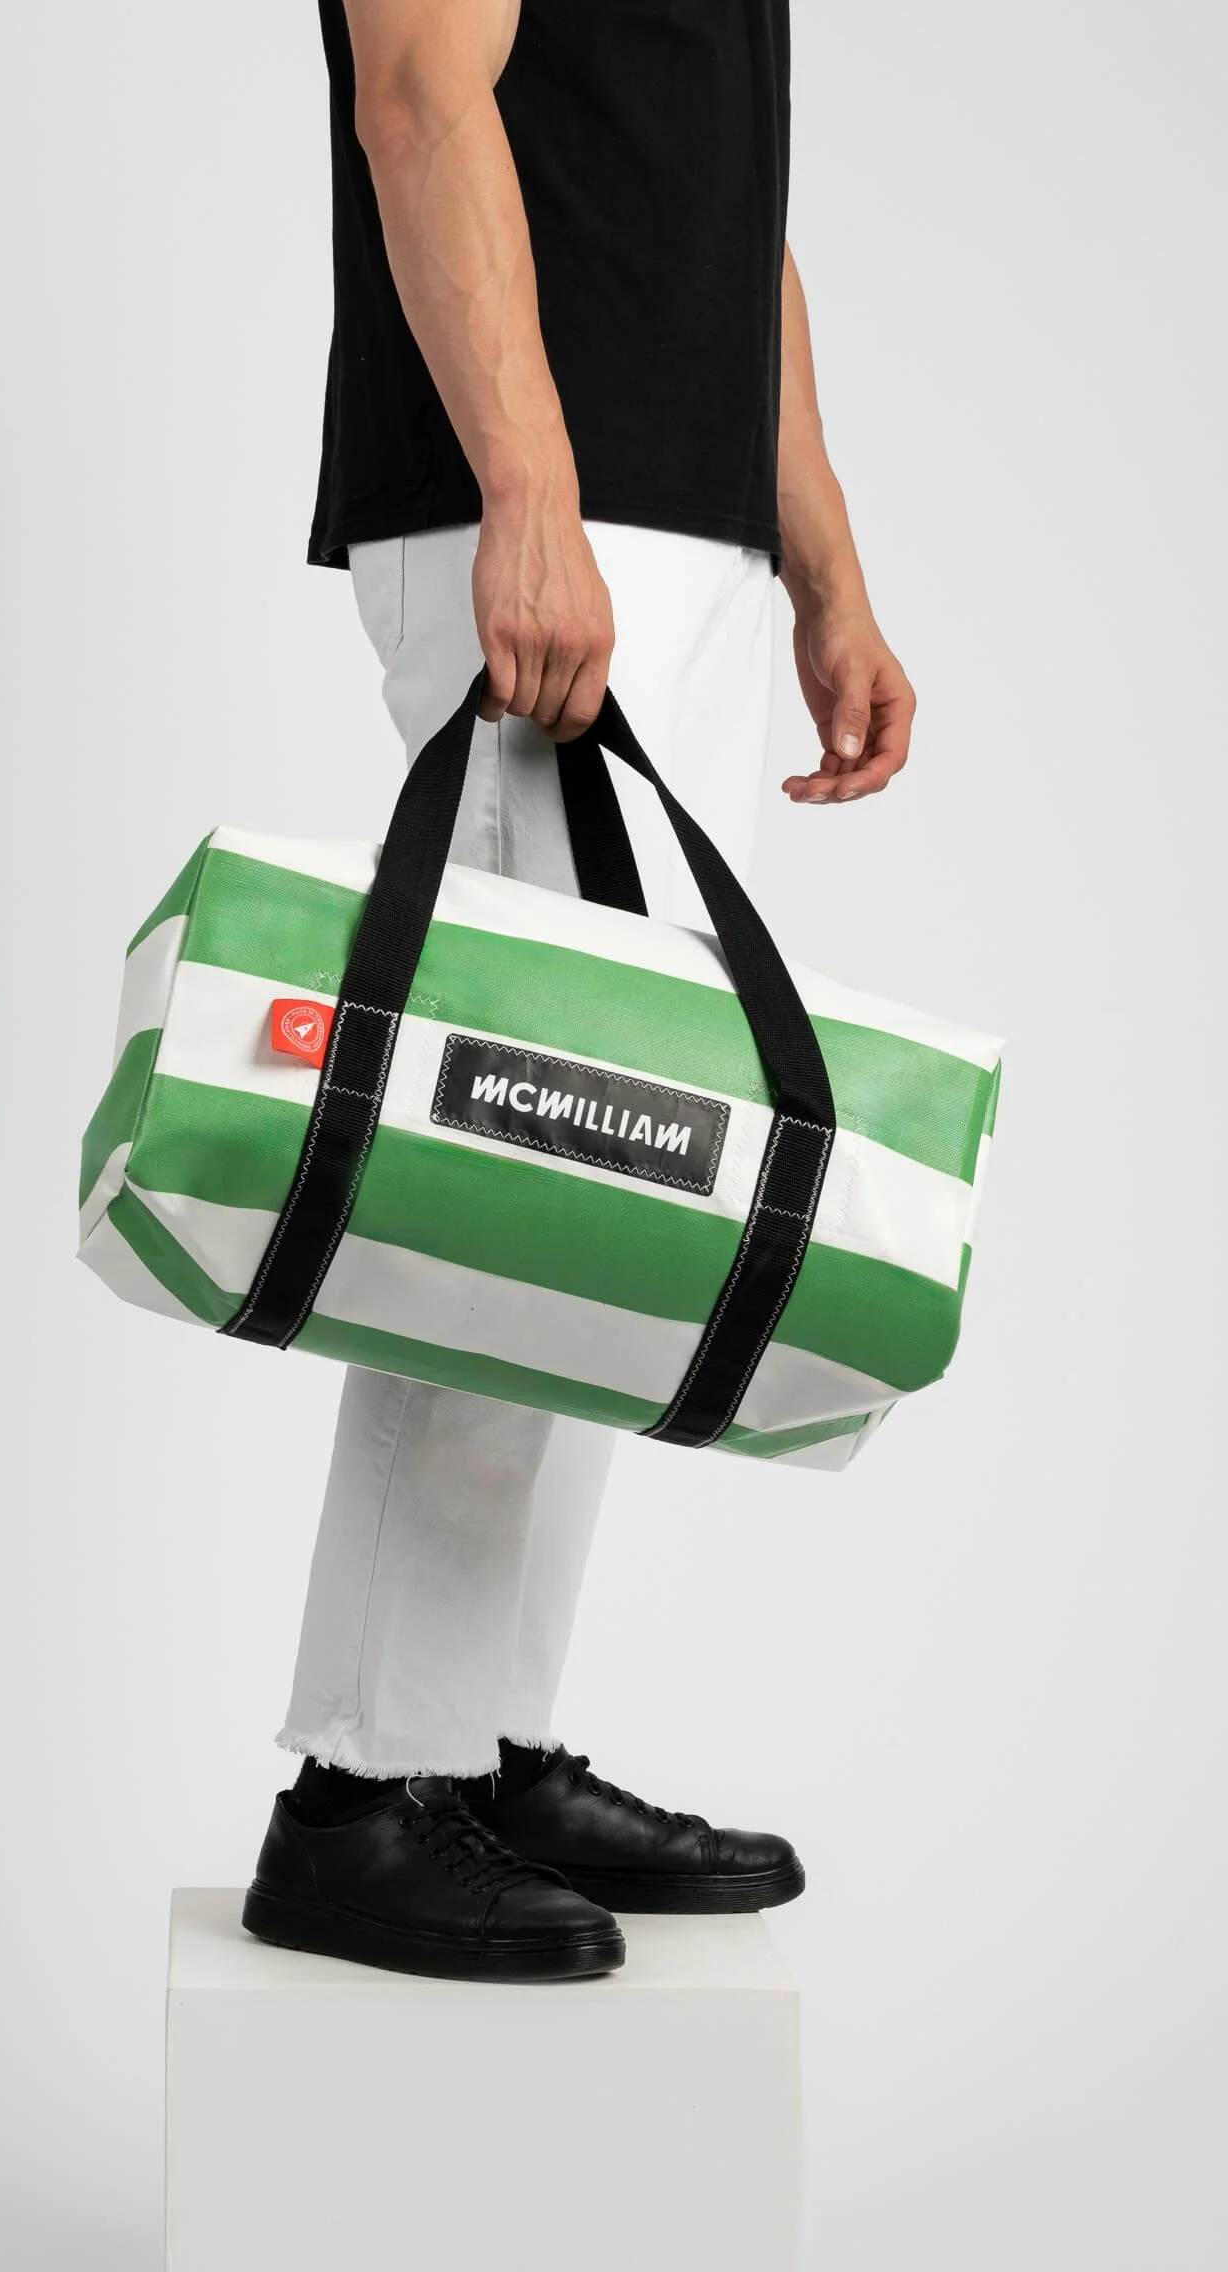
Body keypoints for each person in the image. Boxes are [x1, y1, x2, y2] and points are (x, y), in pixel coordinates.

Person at [244, 0, 916, 1982]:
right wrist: (527, 490)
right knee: (512, 1157)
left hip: (674, 518)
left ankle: (478, 1745)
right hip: (535, 491)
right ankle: (362, 1787)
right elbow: (416, 88)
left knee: (616, 1184)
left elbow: (725, 205)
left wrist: (821, 564)